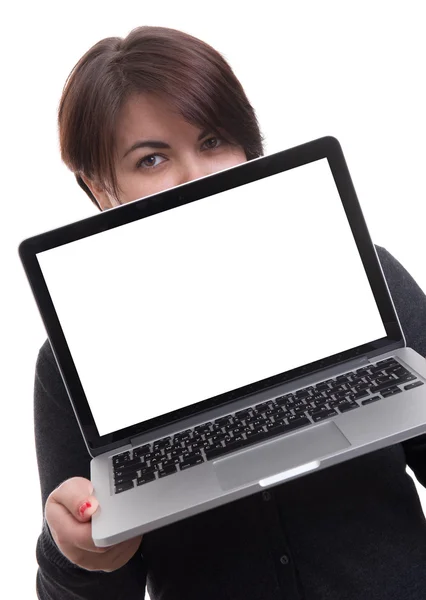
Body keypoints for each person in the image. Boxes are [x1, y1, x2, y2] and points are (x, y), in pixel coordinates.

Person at [34, 26, 426, 600]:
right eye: (152, 159)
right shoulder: (71, 366)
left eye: (214, 140)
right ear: (100, 187)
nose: (198, 176)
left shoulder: (367, 279)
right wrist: (73, 553)